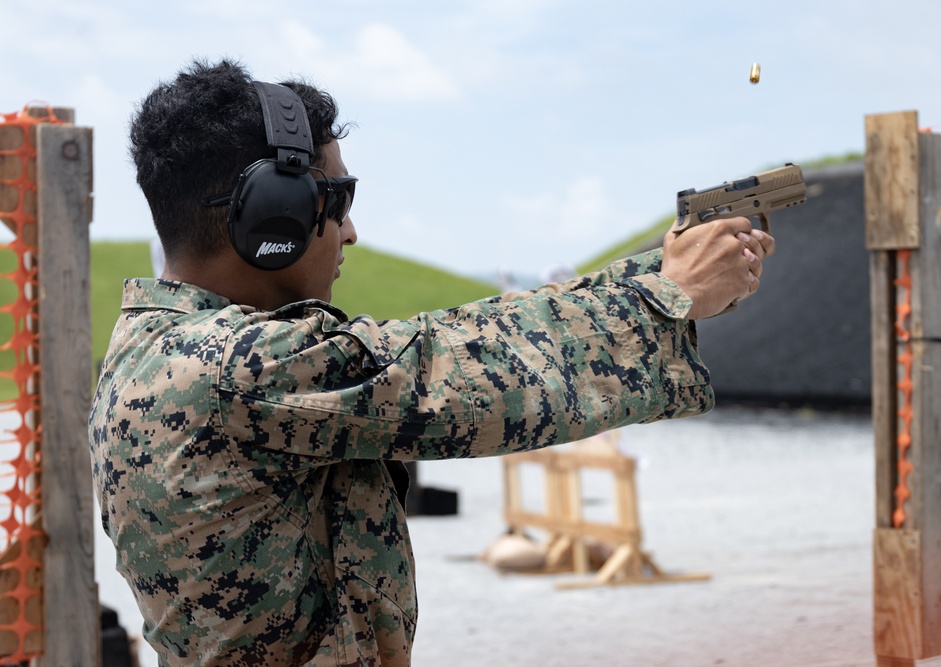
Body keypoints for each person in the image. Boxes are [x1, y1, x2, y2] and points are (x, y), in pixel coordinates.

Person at [89, 59, 774, 667]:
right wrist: (667, 297)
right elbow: (472, 370)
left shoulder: (159, 350)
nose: (350, 230)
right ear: (273, 215)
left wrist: (663, 269)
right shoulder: (239, 368)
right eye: (337, 199)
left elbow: (460, 333)